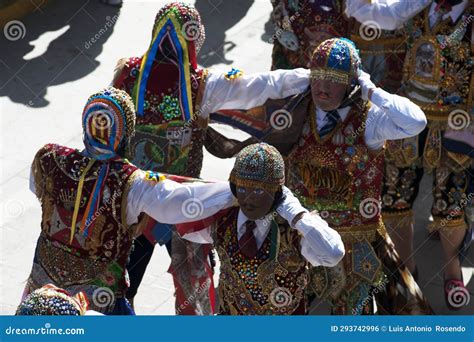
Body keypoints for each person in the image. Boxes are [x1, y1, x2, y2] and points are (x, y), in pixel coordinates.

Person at [112, 1, 311, 314]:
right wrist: (313, 77)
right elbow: (259, 86)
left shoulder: (127, 74)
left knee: (121, 282)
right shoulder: (201, 85)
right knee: (194, 284)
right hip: (184, 205)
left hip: (132, 201)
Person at [212, 37, 433, 314]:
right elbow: (252, 90)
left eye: (334, 79)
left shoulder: (370, 120)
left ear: (352, 83)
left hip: (355, 241)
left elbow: (416, 122)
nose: (322, 87)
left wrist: (372, 91)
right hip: (301, 237)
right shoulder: (295, 109)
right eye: (318, 77)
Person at [347, 0, 473, 310]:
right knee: (394, 200)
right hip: (409, 122)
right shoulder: (419, 5)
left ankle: (451, 271)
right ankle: (405, 272)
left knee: (450, 204)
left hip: (456, 124)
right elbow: (375, 15)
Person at [179, 143, 345, 315]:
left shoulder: (293, 230)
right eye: (242, 188)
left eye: (258, 191)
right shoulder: (223, 220)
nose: (248, 199)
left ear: (277, 193)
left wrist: (296, 215)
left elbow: (333, 254)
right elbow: (171, 206)